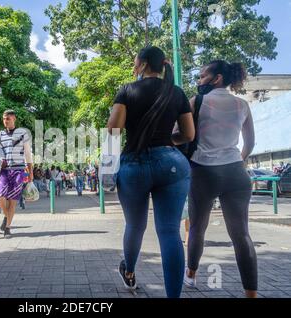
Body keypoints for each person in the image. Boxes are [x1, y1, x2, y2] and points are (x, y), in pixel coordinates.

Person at [107, 46, 195, 297]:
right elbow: (188, 134)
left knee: (135, 225)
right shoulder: (176, 92)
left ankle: (130, 273)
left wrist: (108, 164)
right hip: (172, 164)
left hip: (134, 164)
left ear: (144, 64)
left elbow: (113, 129)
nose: (133, 66)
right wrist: (168, 141)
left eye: (135, 61)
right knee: (169, 232)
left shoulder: (127, 90)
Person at [183, 60, 257, 298]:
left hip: (203, 172)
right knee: (241, 235)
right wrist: (238, 160)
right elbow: (250, 143)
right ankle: (251, 293)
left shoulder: (197, 102)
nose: (199, 80)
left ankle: (191, 275)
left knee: (197, 228)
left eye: (203, 76)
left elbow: (183, 134)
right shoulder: (242, 105)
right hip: (236, 173)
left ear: (216, 78)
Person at [0, 110, 33, 238]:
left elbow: (28, 154)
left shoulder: (22, 134)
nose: (6, 121)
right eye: (4, 119)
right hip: (4, 170)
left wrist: (30, 172)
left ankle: (8, 228)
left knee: (13, 201)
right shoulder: (0, 135)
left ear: (14, 118)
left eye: (8, 118)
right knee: (0, 197)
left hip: (18, 171)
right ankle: (6, 215)